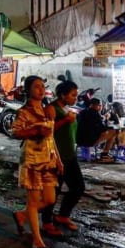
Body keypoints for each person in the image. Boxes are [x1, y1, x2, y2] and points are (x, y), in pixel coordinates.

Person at [11, 75, 62, 248]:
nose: (41, 90)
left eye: (42, 86)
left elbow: (51, 137)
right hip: (31, 160)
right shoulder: (24, 112)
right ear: (28, 90)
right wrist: (35, 130)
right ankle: (37, 240)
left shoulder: (47, 110)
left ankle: (23, 215)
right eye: (37, 87)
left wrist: (58, 159)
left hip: (48, 161)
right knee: (33, 201)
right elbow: (15, 132)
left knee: (49, 199)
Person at [41, 80, 84, 237]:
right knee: (54, 191)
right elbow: (46, 131)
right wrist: (66, 120)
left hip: (70, 156)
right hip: (55, 157)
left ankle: (63, 215)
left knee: (78, 187)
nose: (75, 98)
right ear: (62, 95)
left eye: (76, 95)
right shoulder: (51, 109)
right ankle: (46, 223)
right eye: (73, 95)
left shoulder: (67, 109)